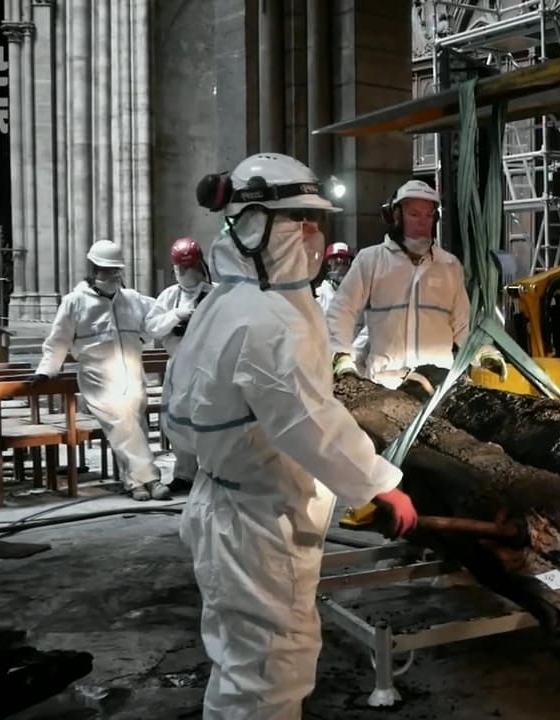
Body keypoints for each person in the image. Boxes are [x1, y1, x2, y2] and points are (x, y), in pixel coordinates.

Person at [167, 152, 418, 717]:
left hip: (232, 502)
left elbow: (180, 418)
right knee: (269, 673)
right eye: (300, 222)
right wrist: (379, 483)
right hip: (257, 522)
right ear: (256, 226)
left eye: (316, 222)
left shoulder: (233, 301)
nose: (312, 235)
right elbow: (307, 419)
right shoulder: (265, 318)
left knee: (243, 665)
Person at [325, 179, 506, 389]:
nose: (423, 222)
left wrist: (482, 351)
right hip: (386, 385)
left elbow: (462, 325)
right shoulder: (371, 260)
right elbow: (342, 311)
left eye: (429, 216)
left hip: (438, 388)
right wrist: (341, 354)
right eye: (414, 214)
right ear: (396, 216)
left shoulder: (449, 265)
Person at [32, 240, 168, 500]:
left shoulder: (133, 299)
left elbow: (159, 316)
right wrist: (46, 370)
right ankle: (151, 478)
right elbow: (58, 339)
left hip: (131, 371)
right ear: (94, 270)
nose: (113, 275)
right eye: (106, 270)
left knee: (134, 425)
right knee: (121, 423)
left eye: (116, 270)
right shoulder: (75, 302)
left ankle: (135, 483)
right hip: (98, 376)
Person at [144, 237, 215, 492]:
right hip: (178, 368)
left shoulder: (214, 294)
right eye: (179, 268)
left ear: (199, 266)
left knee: (207, 420)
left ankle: (210, 473)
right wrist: (175, 316)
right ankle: (184, 474)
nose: (183, 273)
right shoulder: (170, 296)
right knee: (177, 420)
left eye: (187, 268)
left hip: (208, 369)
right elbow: (151, 327)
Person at [314, 241, 354, 314]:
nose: (341, 268)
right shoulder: (319, 296)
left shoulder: (357, 294)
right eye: (337, 262)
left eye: (345, 263)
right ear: (329, 266)